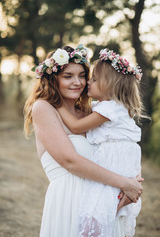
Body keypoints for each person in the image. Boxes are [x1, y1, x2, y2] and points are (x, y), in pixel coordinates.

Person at [24, 45, 143, 237]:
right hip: (68, 200)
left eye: (82, 75)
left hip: (103, 202)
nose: (78, 82)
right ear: (53, 79)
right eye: (68, 76)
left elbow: (125, 143)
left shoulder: (93, 112)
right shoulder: (44, 108)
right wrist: (124, 182)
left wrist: (134, 182)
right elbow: (69, 160)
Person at [57, 48, 145, 237]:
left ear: (111, 86)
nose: (88, 82)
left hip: (113, 164)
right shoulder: (107, 108)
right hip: (117, 163)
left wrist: (57, 103)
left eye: (94, 79)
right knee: (103, 215)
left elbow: (75, 126)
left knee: (96, 216)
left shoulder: (110, 109)